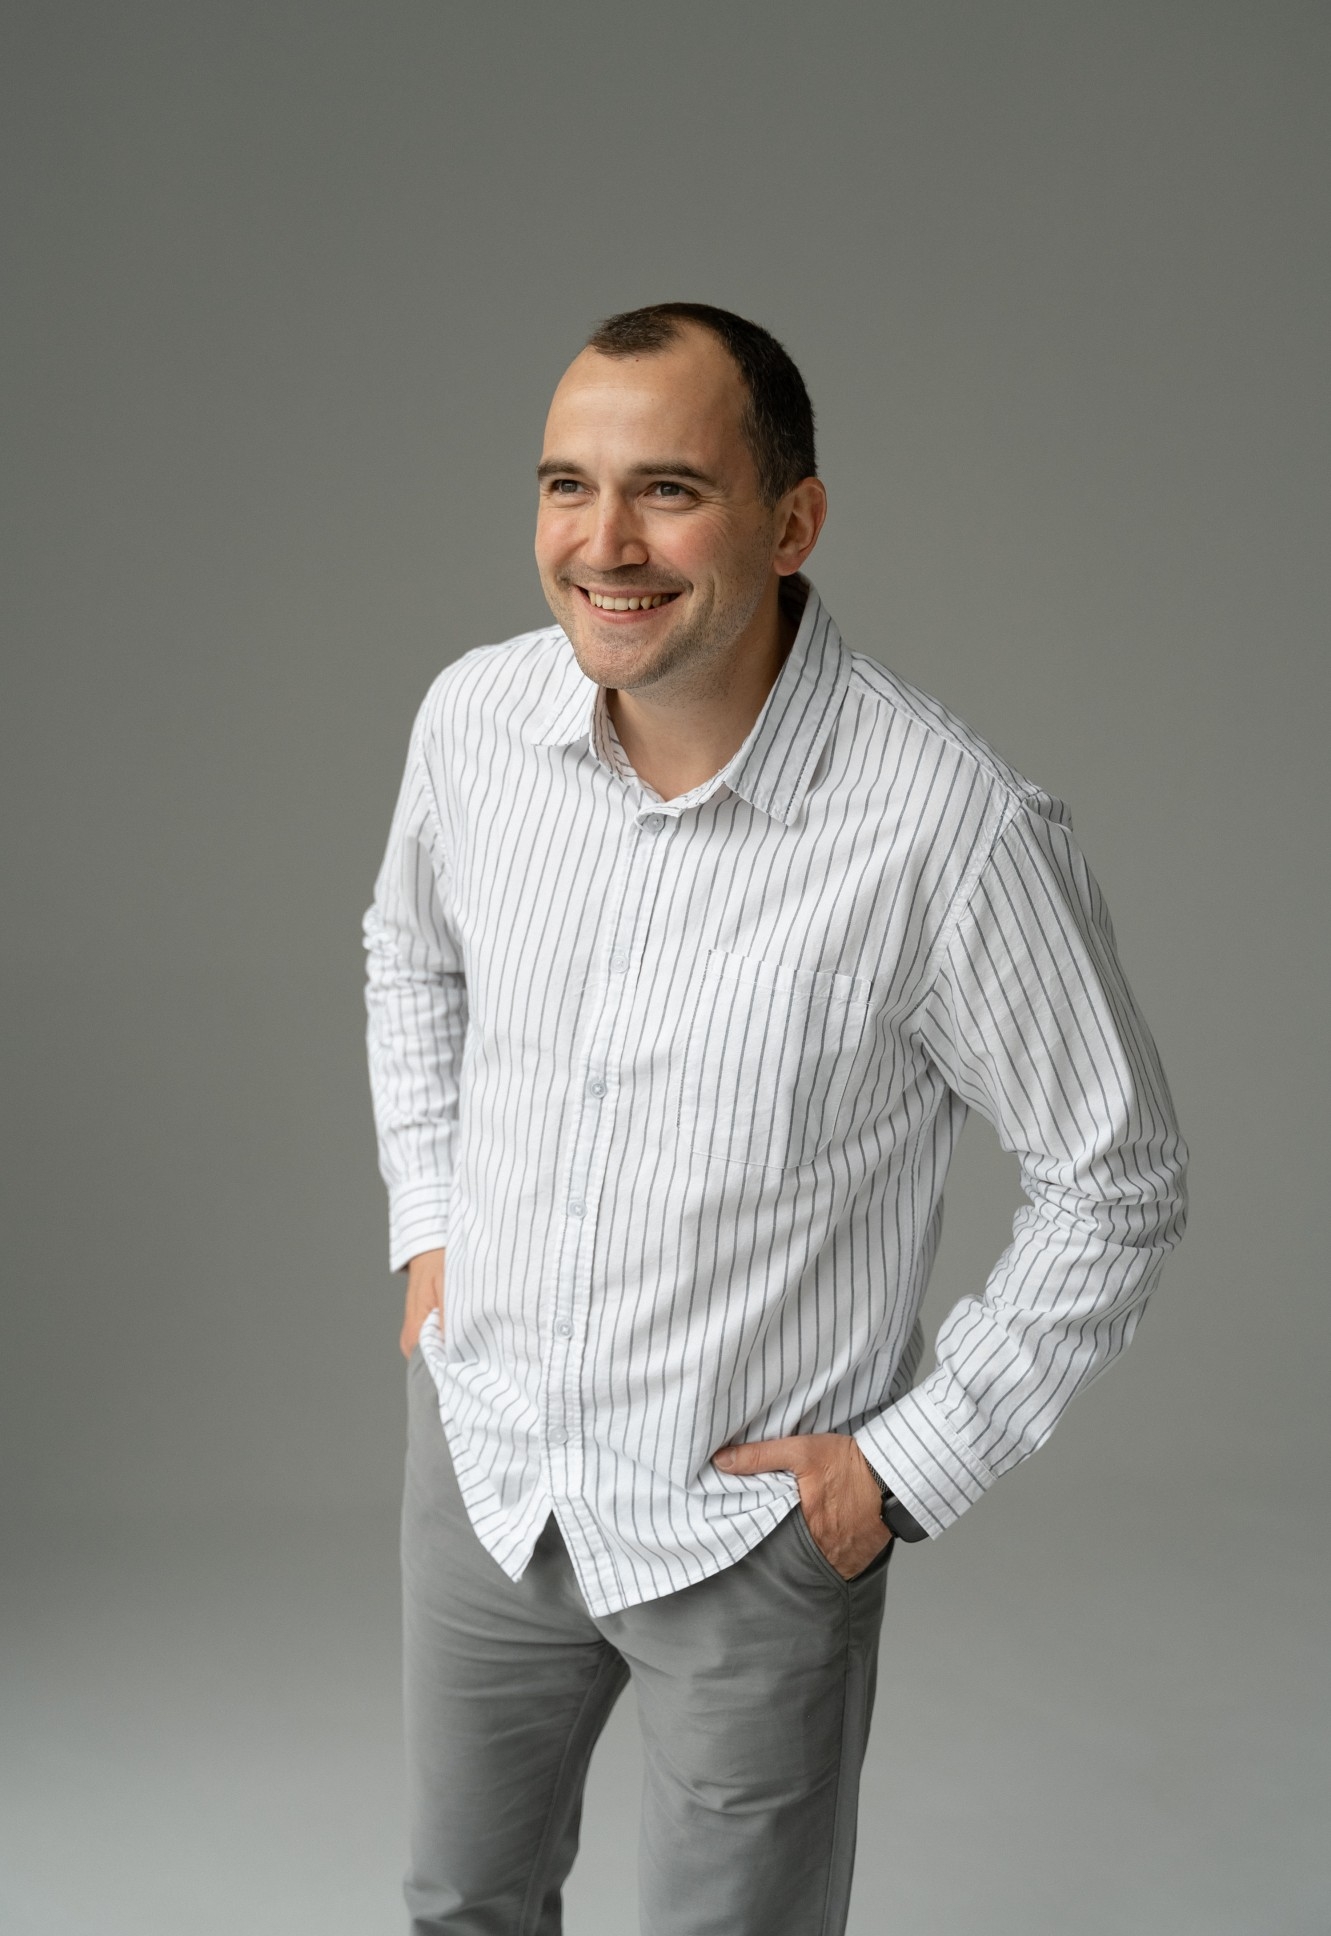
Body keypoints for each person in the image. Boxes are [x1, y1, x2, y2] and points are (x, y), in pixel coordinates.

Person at [362, 302, 1188, 1935]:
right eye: (567, 485)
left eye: (668, 490)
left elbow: (1118, 1182)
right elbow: (408, 953)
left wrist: (905, 1465)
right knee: (461, 1906)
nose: (604, 543)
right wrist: (433, 1227)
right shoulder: (473, 721)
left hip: (748, 1533)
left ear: (792, 522)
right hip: (491, 1461)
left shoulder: (945, 827)